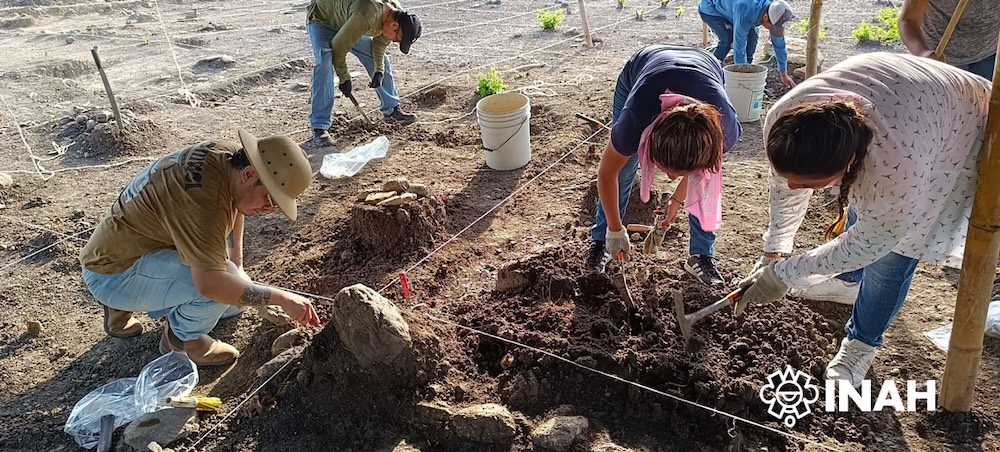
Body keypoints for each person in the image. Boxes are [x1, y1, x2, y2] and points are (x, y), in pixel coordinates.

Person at [736, 52, 990, 388]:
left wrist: (786, 274)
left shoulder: (897, 171)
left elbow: (872, 242)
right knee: (866, 203)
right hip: (903, 98)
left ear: (849, 162)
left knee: (893, 255)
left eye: (809, 184)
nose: (794, 187)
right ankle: (849, 283)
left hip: (961, 119)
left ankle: (862, 344)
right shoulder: (786, 119)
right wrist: (774, 252)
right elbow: (787, 187)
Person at [80, 129, 321, 366]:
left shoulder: (228, 158)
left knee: (234, 296)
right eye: (270, 199)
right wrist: (281, 298)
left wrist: (238, 264)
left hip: (122, 248)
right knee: (220, 287)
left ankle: (120, 308)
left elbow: (236, 206)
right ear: (249, 174)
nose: (269, 209)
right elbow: (211, 285)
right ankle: (185, 341)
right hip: (113, 274)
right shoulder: (204, 206)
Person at [584, 44, 742, 287]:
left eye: (679, 173)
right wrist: (615, 229)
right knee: (624, 170)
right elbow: (607, 174)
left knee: (705, 182)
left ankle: (701, 255)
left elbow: (701, 176)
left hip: (704, 67)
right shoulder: (634, 121)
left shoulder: (724, 132)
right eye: (666, 169)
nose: (670, 178)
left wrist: (676, 201)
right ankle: (602, 241)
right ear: (648, 145)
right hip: (644, 69)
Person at [307, 0, 423, 145]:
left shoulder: (396, 14)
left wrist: (379, 71)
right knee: (324, 61)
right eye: (397, 39)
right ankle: (320, 126)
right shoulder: (367, 15)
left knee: (382, 61)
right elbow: (339, 47)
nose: (394, 41)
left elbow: (380, 44)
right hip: (322, 19)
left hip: (350, 21)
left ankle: (392, 111)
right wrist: (344, 78)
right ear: (394, 26)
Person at [698, 0, 797, 88]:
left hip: (735, 9)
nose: (773, 30)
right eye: (772, 27)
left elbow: (779, 43)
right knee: (727, 40)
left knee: (753, 36)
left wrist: (783, 72)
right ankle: (708, 71)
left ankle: (746, 66)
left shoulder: (773, 10)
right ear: (765, 17)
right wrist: (743, 78)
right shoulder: (745, 12)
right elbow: (739, 47)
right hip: (712, 8)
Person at [899, 0, 1000, 80]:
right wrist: (922, 52)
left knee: (986, 99)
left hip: (992, 53)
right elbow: (909, 20)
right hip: (941, 59)